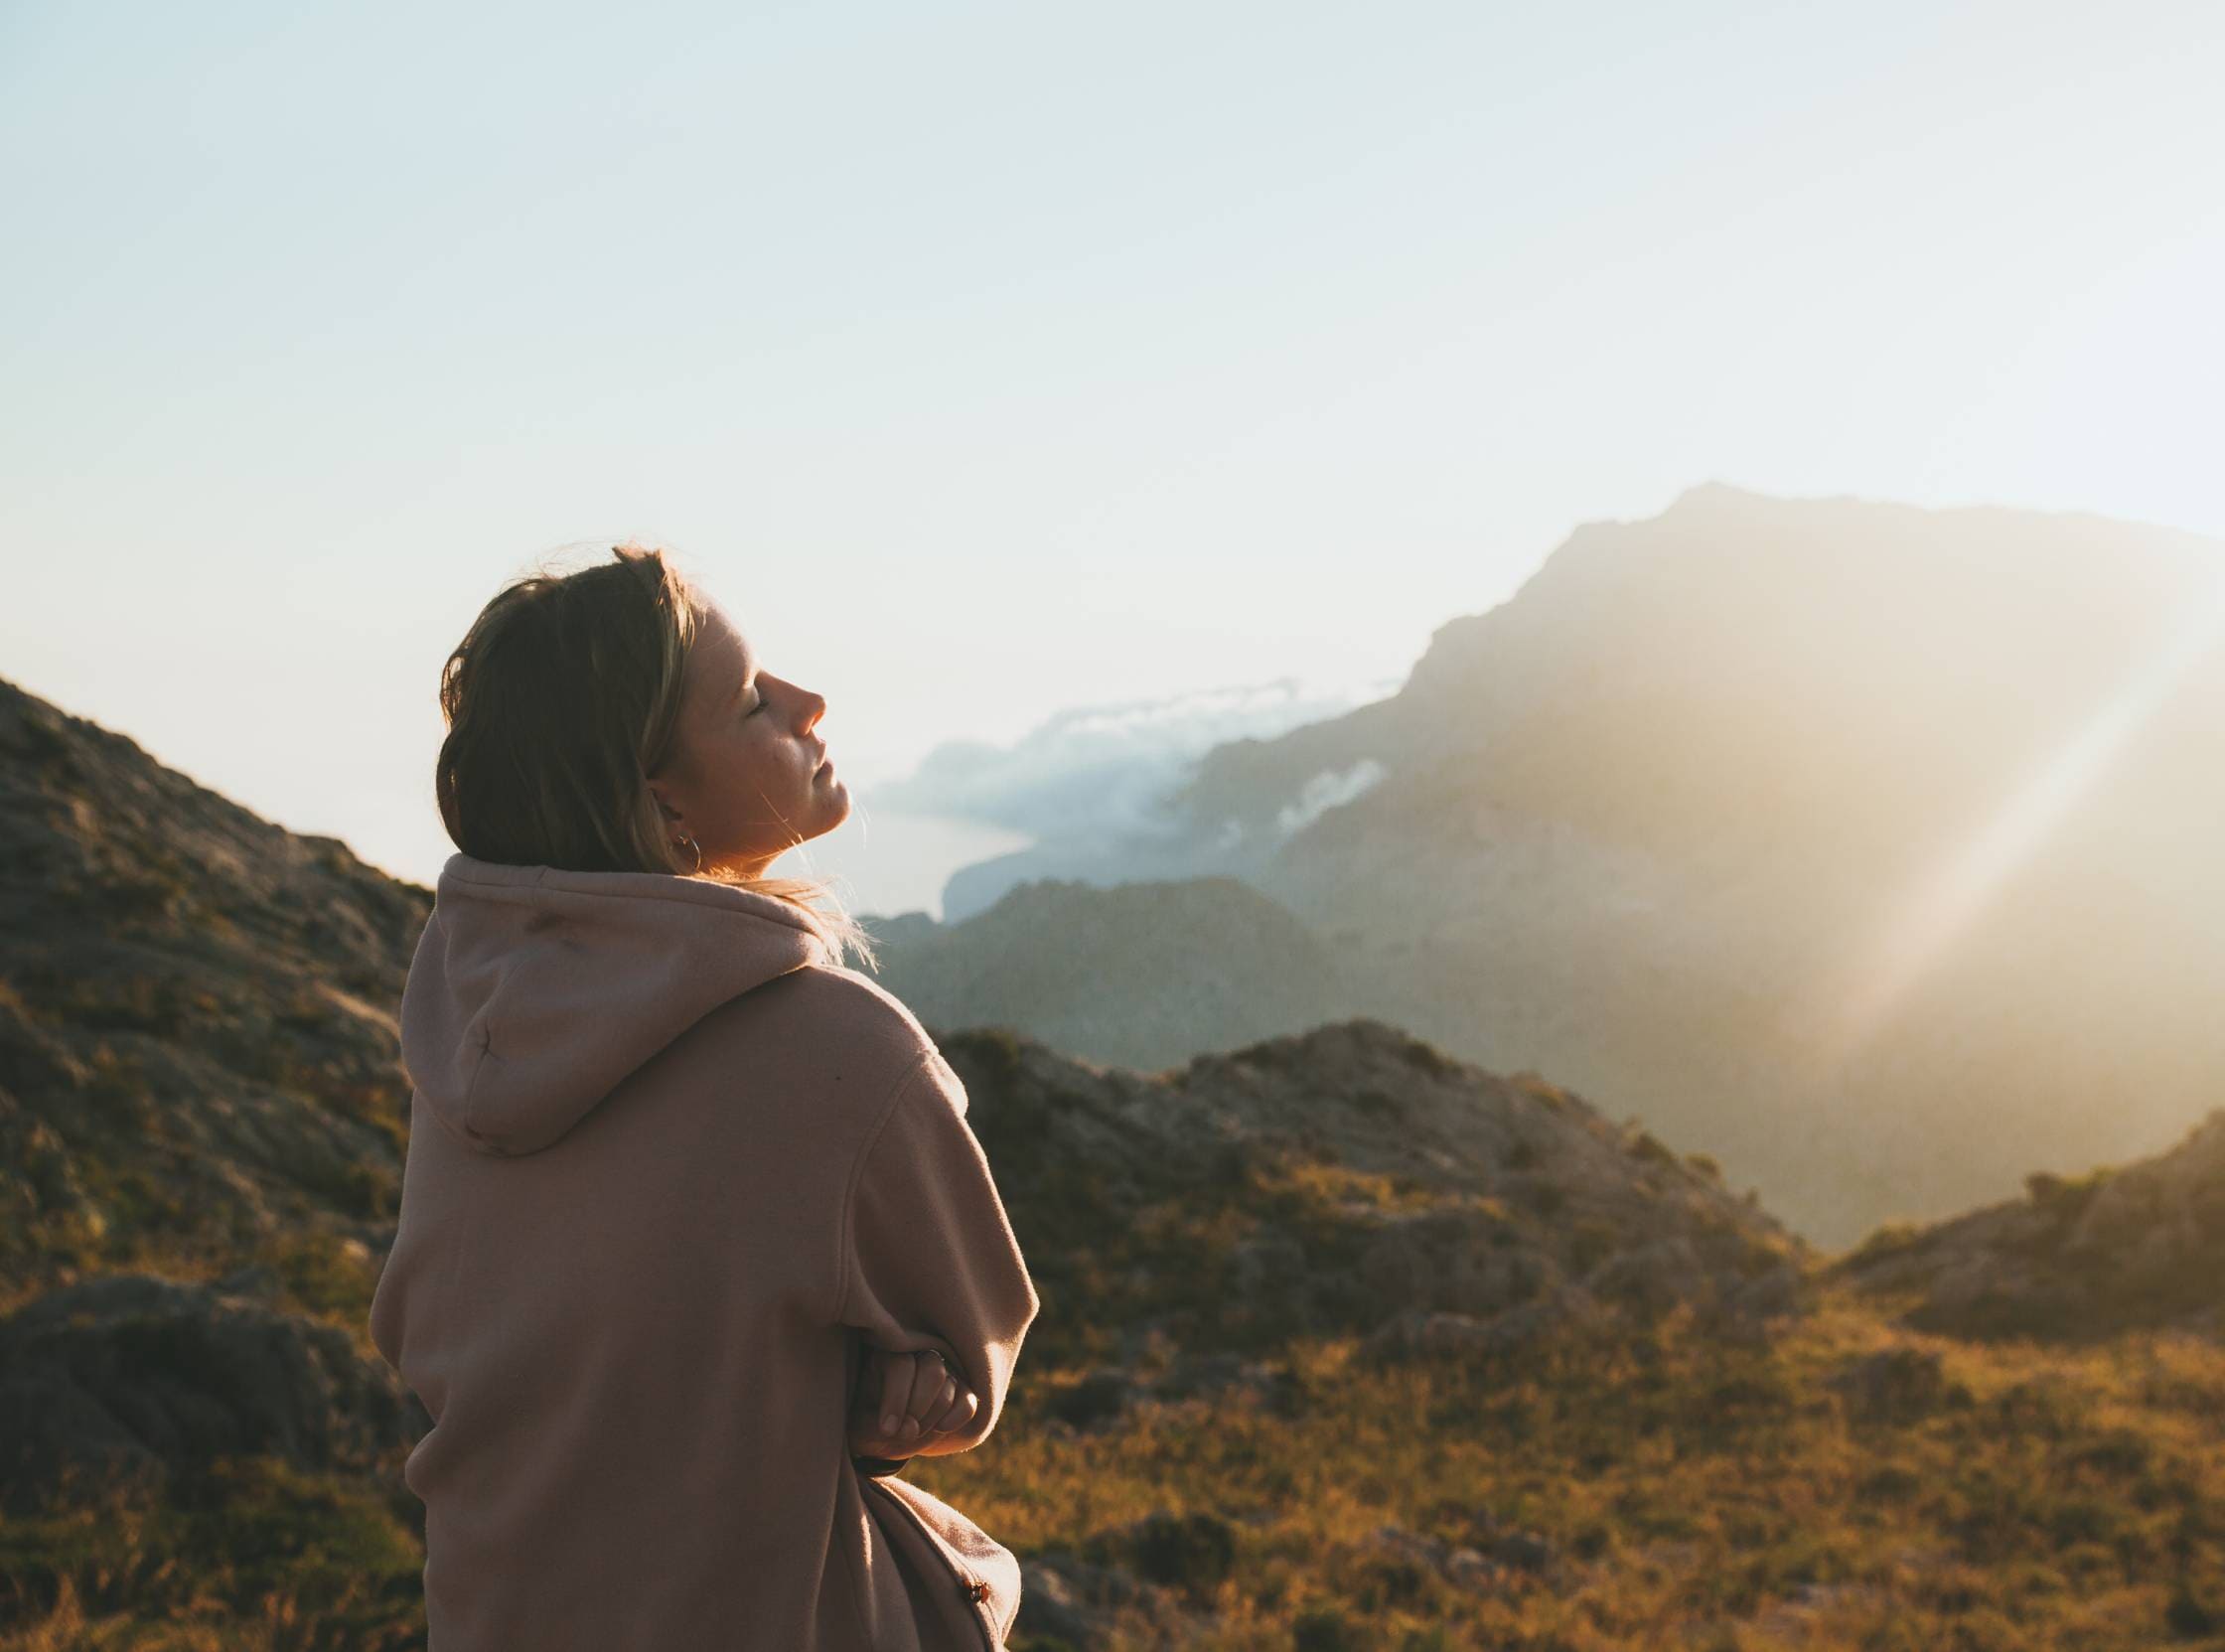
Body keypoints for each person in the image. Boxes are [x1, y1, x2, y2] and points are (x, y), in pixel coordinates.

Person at [368, 543, 1040, 1650]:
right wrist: (892, 1389)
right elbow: (969, 1360)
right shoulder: (845, 1059)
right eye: (746, 702)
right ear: (658, 795)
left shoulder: (461, 1044)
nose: (807, 700)